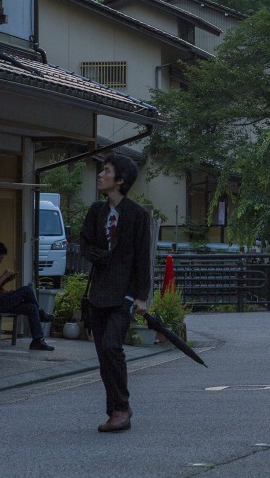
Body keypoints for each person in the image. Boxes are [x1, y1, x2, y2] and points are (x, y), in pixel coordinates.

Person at [81, 153, 151, 433]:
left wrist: (142, 296)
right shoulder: (96, 212)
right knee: (103, 355)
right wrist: (103, 255)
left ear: (120, 180)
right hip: (98, 293)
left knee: (112, 347)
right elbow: (85, 244)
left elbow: (143, 257)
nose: (100, 175)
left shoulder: (137, 215)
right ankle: (115, 410)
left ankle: (121, 408)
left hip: (124, 295)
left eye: (107, 171)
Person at [0, 241, 55, 351]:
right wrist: (4, 276)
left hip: (2, 299)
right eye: (1, 258)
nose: (1, 261)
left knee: (32, 307)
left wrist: (6, 279)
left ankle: (37, 340)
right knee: (27, 290)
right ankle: (41, 314)